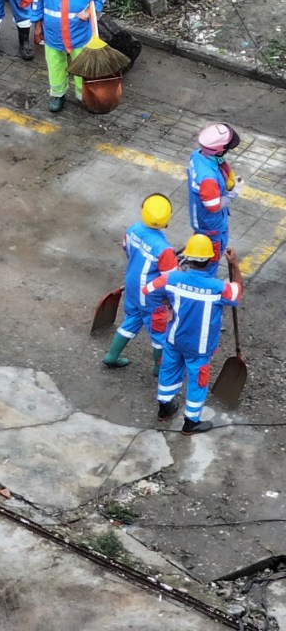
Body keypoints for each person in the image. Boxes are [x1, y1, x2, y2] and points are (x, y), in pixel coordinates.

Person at [147, 233, 240, 433]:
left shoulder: (172, 278)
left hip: (174, 339)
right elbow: (237, 293)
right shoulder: (218, 288)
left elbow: (148, 290)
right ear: (210, 259)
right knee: (198, 381)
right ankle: (191, 422)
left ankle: (164, 409)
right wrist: (234, 265)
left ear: (187, 258)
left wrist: (167, 304)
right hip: (200, 347)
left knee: (168, 371)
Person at [105, 194, 176, 368]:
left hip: (132, 285)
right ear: (167, 220)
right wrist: (171, 303)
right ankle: (160, 369)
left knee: (132, 319)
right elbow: (170, 279)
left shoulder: (133, 229)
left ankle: (112, 356)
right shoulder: (164, 249)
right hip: (153, 296)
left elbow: (128, 251)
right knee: (159, 333)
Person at [34, 0, 106, 113]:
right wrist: (37, 25)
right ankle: (58, 94)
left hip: (79, 36)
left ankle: (84, 95)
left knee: (83, 68)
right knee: (55, 65)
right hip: (53, 36)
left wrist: (90, 10)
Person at [186, 122, 241, 266]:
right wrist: (233, 194)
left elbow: (219, 160)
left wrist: (229, 172)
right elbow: (214, 206)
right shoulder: (208, 178)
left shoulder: (197, 155)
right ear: (219, 149)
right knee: (209, 262)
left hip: (204, 219)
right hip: (211, 226)